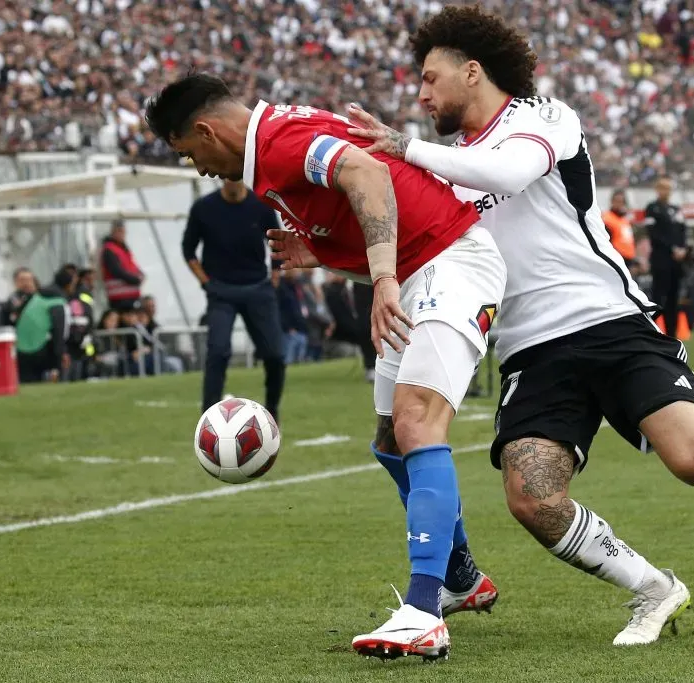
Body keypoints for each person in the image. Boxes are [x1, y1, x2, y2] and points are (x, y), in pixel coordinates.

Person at [347, 4, 694, 647]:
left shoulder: (544, 117)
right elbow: (413, 240)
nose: (419, 95)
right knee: (531, 496)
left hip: (610, 320)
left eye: (429, 78)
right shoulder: (441, 165)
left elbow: (507, 172)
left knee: (693, 460)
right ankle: (654, 589)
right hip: (530, 347)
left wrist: (408, 149)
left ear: (472, 73)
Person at [145, 72, 507, 661]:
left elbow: (369, 173)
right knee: (392, 439)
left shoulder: (280, 140)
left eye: (189, 153)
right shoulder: (269, 149)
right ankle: (461, 578)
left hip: (450, 263)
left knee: (416, 423)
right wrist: (326, 253)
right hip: (418, 267)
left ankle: (421, 612)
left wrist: (383, 278)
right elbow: (354, 195)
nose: (198, 169)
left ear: (208, 130)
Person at [182, 179, 286, 420]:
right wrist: (205, 282)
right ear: (220, 178)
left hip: (258, 288)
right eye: (226, 175)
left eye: (236, 174)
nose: (231, 180)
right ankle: (208, 417)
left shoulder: (261, 204)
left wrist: (276, 274)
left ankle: (272, 412)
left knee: (275, 355)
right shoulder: (203, 208)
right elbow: (188, 250)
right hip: (221, 291)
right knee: (217, 352)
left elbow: (277, 240)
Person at [644, 177, 688, 337]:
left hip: (676, 262)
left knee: (673, 298)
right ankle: (654, 331)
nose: (665, 191)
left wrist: (682, 248)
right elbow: (653, 234)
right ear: (657, 189)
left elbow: (683, 230)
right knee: (658, 296)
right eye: (662, 188)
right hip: (661, 260)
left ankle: (672, 334)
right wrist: (672, 248)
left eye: (668, 188)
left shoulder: (676, 209)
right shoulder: (652, 208)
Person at [15, 268, 73, 383]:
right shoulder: (57, 301)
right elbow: (59, 331)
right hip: (41, 350)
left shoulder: (35, 299)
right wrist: (60, 355)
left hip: (20, 350)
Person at [100, 220, 145, 312]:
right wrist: (135, 280)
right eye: (119, 231)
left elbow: (132, 266)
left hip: (131, 297)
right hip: (120, 298)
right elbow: (116, 271)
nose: (122, 234)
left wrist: (141, 275)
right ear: (113, 232)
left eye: (123, 231)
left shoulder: (123, 249)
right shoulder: (109, 249)